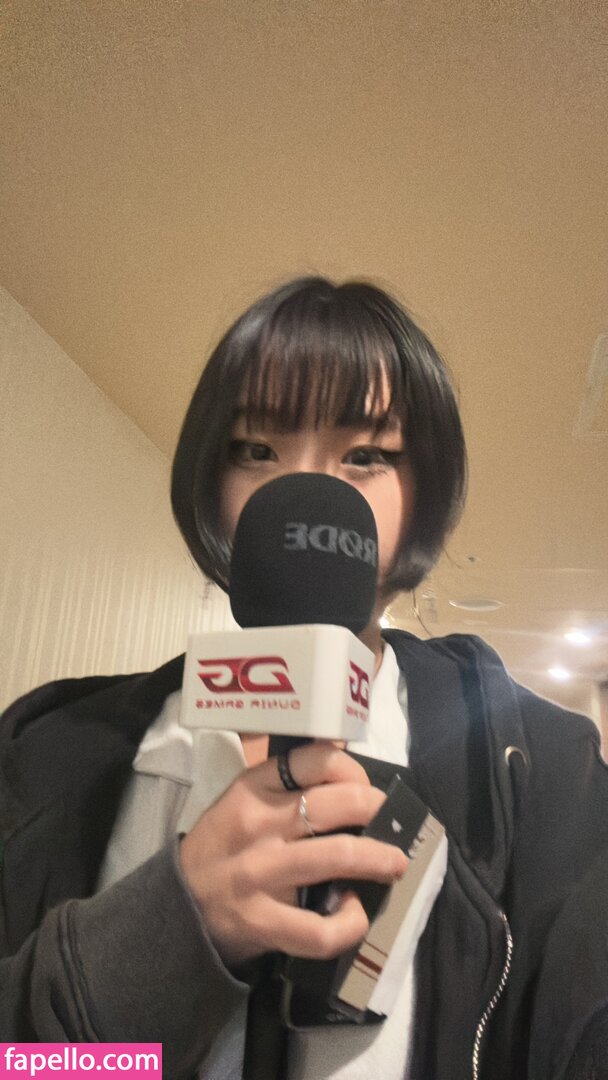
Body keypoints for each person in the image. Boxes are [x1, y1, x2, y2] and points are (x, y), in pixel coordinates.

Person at [1, 277, 608, 1080]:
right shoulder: (49, 752)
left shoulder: (547, 771)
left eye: (366, 456)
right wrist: (162, 943)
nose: (304, 498)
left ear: (423, 490)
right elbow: (27, 1066)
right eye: (257, 450)